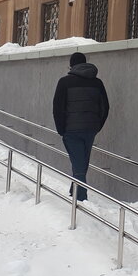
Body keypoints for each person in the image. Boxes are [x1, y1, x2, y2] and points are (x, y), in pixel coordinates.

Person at [52, 52, 109, 201]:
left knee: (79, 166)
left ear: (71, 65)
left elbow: (57, 107)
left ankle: (80, 199)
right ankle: (74, 192)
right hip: (90, 130)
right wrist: (97, 126)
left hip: (71, 131)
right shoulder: (97, 83)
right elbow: (105, 107)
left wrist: (61, 129)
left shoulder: (64, 82)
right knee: (81, 163)